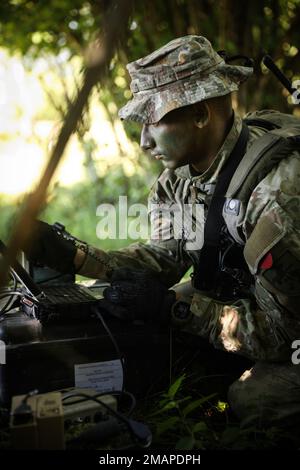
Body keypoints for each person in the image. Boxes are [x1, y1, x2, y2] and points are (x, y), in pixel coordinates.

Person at [25, 36, 300, 430]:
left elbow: (284, 333)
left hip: (294, 334)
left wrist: (175, 308)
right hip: (258, 301)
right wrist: (74, 255)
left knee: (250, 400)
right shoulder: (179, 182)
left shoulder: (275, 195)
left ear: (201, 115)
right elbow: (165, 259)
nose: (143, 140)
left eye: (153, 121)